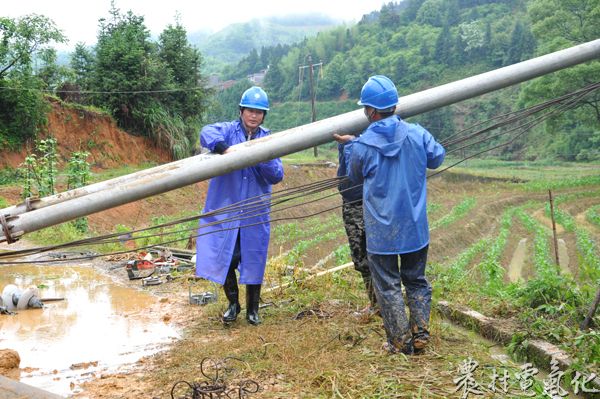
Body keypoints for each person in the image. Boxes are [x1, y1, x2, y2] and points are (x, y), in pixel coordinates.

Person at [334, 75, 445, 354]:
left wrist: (349, 146)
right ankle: (420, 334)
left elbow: (353, 176)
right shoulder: (417, 133)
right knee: (416, 280)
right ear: (395, 106)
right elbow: (438, 157)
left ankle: (399, 343)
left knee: (388, 286)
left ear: (370, 111)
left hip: (381, 232)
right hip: (415, 228)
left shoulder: (362, 147)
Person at [195, 86, 284, 325]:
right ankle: (233, 304)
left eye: (259, 112)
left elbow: (277, 174)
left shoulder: (268, 139)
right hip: (226, 208)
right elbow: (206, 132)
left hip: (254, 211)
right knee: (227, 257)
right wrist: (224, 148)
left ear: (264, 115)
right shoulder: (227, 131)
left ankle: (253, 310)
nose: (254, 116)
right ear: (241, 111)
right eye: (249, 111)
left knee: (253, 258)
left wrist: (259, 157)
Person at [336, 132, 377, 314]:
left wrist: (351, 144)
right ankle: (377, 304)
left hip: (363, 202)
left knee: (372, 257)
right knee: (361, 257)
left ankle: (381, 305)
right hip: (352, 201)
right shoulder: (349, 140)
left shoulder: (367, 139)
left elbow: (356, 173)